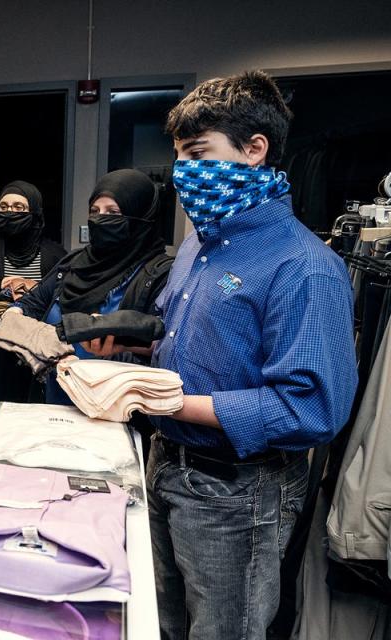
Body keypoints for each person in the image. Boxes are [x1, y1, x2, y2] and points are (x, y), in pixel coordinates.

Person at [106, 71, 357, 640]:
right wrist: (126, 357)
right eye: (179, 156)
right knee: (158, 622)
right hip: (165, 465)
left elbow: (312, 410)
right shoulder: (199, 243)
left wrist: (170, 402)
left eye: (198, 152)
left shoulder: (306, 266)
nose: (183, 171)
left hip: (237, 493)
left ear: (254, 150)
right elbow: (191, 340)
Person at [16, 169, 173, 403]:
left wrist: (116, 349)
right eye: (95, 211)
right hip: (53, 401)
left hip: (114, 408)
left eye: (113, 213)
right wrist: (18, 322)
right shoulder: (73, 263)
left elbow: (164, 346)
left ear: (142, 218)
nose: (100, 219)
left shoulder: (160, 273)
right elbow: (31, 304)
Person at [0, 180, 65, 399]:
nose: (10, 213)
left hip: (37, 358)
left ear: (34, 213)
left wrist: (35, 293)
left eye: (18, 208)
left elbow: (67, 307)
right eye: (4, 208)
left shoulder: (56, 257)